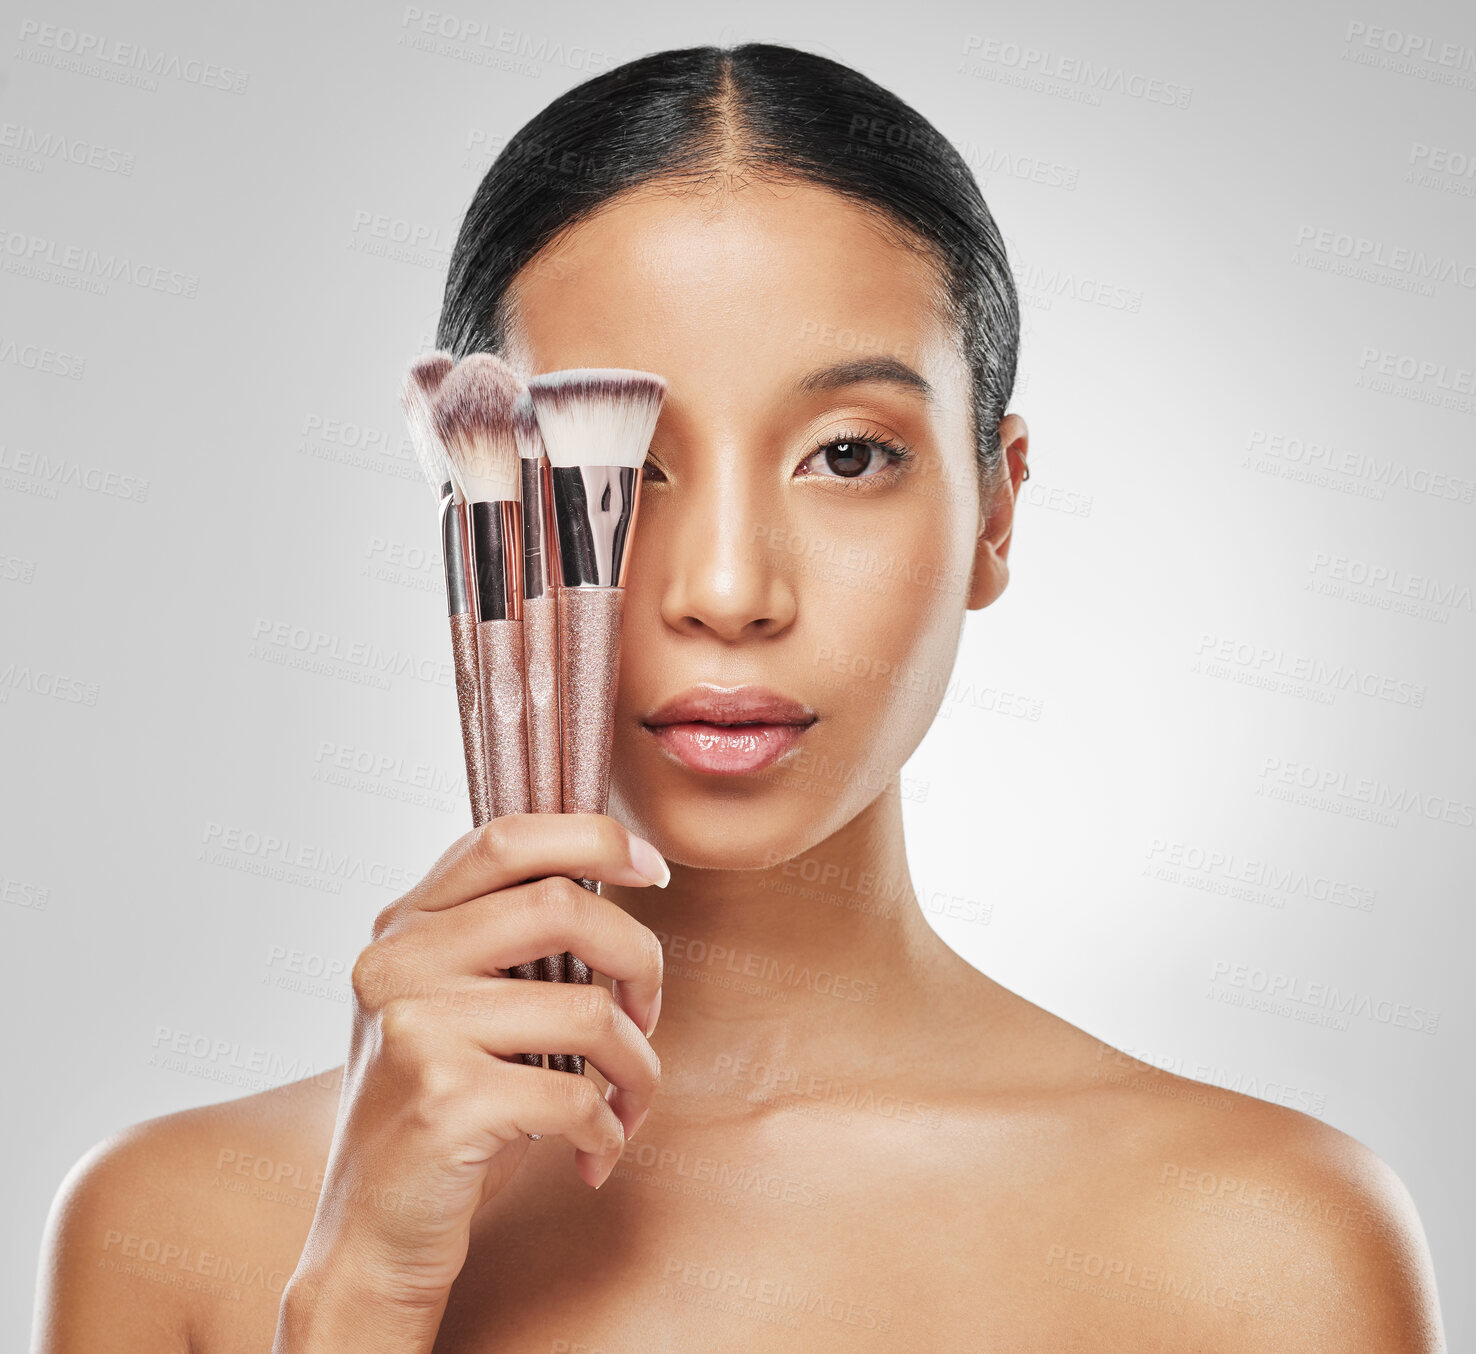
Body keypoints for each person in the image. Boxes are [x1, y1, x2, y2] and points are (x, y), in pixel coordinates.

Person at [33, 43, 1445, 1353]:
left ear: (996, 511)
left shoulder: (1264, 1248)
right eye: (624, 467)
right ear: (479, 517)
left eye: (845, 454)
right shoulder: (179, 1232)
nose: (724, 586)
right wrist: (353, 1295)